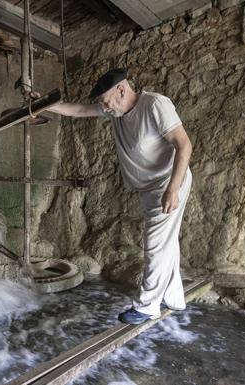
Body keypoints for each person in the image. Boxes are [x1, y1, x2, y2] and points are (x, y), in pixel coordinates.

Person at [47, 68, 193, 325]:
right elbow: (79, 111)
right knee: (165, 241)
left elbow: (184, 144)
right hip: (149, 187)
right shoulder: (115, 109)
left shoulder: (155, 105)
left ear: (121, 90)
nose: (104, 107)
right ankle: (174, 297)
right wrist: (45, 105)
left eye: (105, 101)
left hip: (168, 182)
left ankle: (148, 306)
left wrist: (173, 188)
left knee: (155, 242)